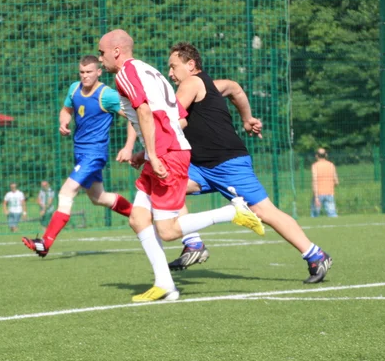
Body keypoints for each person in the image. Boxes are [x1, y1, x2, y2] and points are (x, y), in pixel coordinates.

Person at [99, 29, 264, 302]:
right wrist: (147, 153)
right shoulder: (146, 69)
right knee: (138, 218)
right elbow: (174, 113)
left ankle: (231, 211)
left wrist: (152, 152)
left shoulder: (125, 73)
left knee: (168, 230)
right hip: (166, 149)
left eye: (102, 52)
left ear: (116, 51)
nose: (101, 57)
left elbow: (144, 112)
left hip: (166, 153)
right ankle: (165, 285)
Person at [162, 42, 332, 283]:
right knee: (168, 183)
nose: (170, 73)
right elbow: (234, 88)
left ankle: (316, 255)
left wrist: (148, 133)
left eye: (173, 67)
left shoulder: (190, 82)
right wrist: (247, 118)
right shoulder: (210, 85)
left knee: (264, 211)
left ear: (190, 65)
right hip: (202, 167)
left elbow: (172, 119)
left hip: (228, 164)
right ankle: (193, 244)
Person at [22, 55, 134, 257]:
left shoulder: (106, 95)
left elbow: (135, 115)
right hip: (80, 153)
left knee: (66, 192)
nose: (85, 76)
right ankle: (139, 214)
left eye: (89, 72)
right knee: (98, 197)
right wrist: (63, 122)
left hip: (94, 154)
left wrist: (128, 146)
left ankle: (45, 243)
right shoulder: (74, 88)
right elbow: (66, 110)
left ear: (99, 72)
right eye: (82, 72)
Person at [311, 148, 339, 217]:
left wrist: (316, 197)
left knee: (315, 215)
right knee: (332, 214)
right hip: (330, 193)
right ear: (326, 155)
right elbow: (336, 182)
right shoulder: (331, 165)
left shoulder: (315, 166)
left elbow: (315, 181)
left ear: (316, 156)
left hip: (319, 193)